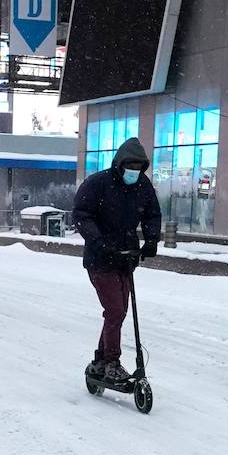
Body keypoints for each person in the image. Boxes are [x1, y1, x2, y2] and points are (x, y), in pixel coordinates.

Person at [72, 137, 163, 383]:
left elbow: (153, 214)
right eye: (129, 168)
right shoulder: (99, 184)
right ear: (119, 164)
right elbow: (81, 214)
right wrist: (99, 242)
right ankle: (111, 362)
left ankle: (100, 361)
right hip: (100, 259)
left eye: (137, 169)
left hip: (125, 258)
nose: (133, 173)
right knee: (115, 310)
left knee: (119, 311)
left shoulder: (142, 186)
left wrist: (151, 240)